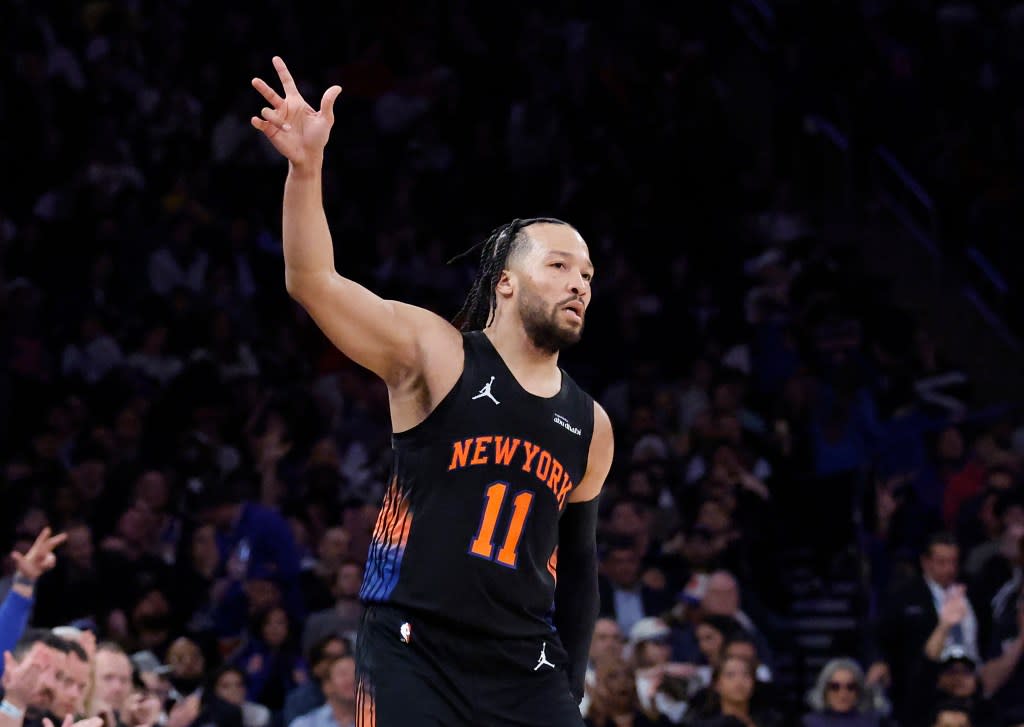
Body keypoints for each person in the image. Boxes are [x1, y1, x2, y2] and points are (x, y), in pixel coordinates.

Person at [250, 55, 614, 726]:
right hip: (413, 649)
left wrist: (572, 679)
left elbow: (582, 563)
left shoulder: (591, 423)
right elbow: (313, 280)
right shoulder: (436, 352)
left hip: (526, 665)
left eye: (588, 273)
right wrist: (305, 172)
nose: (579, 283)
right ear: (506, 281)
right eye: (559, 265)